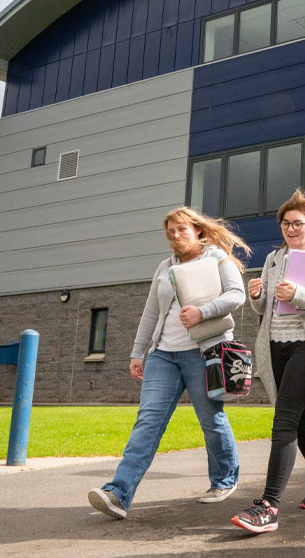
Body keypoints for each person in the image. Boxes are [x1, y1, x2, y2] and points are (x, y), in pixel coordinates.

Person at [88, 207, 249, 520]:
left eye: (182, 230)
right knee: (147, 421)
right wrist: (139, 352)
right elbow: (151, 313)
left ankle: (224, 479)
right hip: (163, 355)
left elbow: (236, 295)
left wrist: (202, 312)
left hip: (204, 354)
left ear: (198, 230)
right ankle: (118, 494)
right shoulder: (164, 267)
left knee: (211, 420)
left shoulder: (216, 258)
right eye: (170, 232)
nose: (176, 236)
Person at [231, 189, 305, 534]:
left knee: (283, 420)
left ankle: (268, 506)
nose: (290, 229)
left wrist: (298, 294)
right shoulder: (272, 259)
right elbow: (265, 309)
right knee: (299, 417)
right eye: (285, 224)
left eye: (297, 223)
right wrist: (258, 296)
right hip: (276, 347)